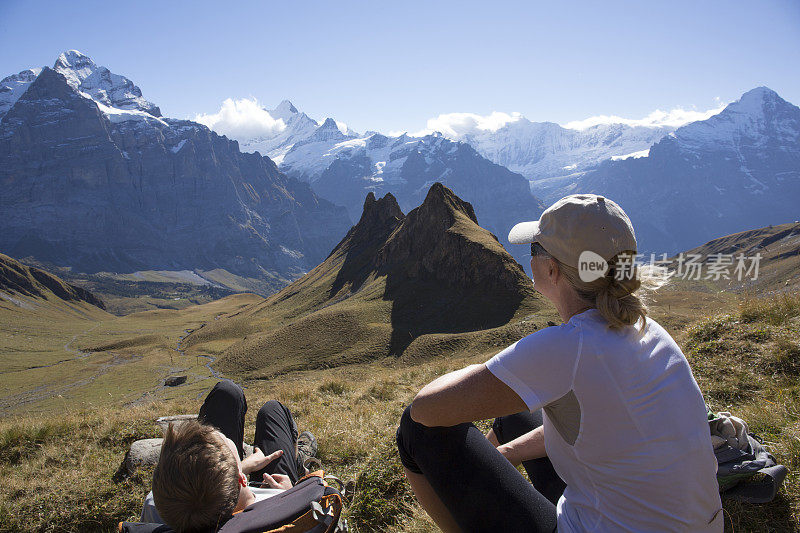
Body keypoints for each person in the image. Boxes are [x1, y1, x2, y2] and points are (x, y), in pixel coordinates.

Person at [396, 194, 724, 532]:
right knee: (515, 412)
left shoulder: (567, 348)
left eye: (535, 250)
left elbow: (426, 408)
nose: (529, 257)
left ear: (552, 269)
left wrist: (501, 363)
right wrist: (504, 454)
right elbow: (599, 429)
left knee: (415, 429)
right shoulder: (646, 328)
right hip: (697, 523)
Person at [141, 380, 318, 532]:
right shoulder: (281, 504)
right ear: (242, 479)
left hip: (233, 489)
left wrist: (239, 468)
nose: (223, 435)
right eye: (226, 440)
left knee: (227, 392)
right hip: (274, 491)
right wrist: (289, 496)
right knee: (272, 410)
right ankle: (298, 462)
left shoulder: (154, 505)